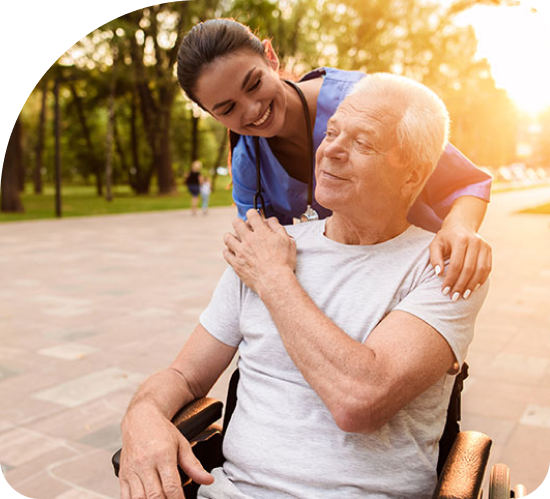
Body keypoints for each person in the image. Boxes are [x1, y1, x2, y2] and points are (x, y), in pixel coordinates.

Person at [118, 73, 489, 499]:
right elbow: (183, 375)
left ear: (412, 176)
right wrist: (142, 415)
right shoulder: (264, 248)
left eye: (363, 143)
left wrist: (275, 279)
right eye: (331, 132)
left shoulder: (445, 267)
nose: (330, 149)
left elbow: (359, 401)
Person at [176, 18, 492, 302]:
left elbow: (465, 182)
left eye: (254, 84)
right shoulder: (247, 163)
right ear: (210, 114)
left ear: (270, 57)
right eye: (228, 109)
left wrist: (460, 227)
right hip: (338, 293)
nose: (252, 110)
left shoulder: (365, 101)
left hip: (415, 275)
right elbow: (263, 250)